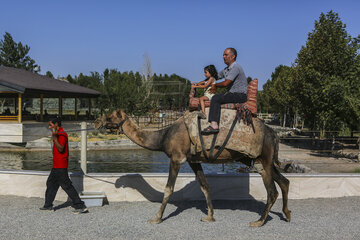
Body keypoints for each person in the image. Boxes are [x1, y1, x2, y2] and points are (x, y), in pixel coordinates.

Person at [40, 116, 88, 214]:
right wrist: (54, 135)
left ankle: (80, 205)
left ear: (56, 124)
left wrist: (54, 137)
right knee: (51, 184)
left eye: (50, 125)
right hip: (56, 165)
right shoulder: (58, 134)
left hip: (60, 165)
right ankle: (48, 205)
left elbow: (61, 148)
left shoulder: (62, 135)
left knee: (67, 186)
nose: (49, 127)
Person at [202, 48, 248, 134]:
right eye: (223, 55)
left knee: (215, 98)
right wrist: (201, 83)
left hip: (239, 95)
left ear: (233, 56)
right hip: (232, 94)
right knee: (218, 96)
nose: (223, 56)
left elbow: (226, 83)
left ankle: (214, 125)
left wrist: (214, 85)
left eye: (226, 55)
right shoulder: (226, 70)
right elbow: (215, 77)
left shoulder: (236, 68)